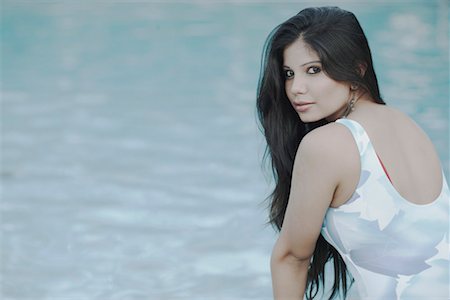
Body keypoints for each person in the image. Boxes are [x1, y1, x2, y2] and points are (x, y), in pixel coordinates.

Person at [256, 6, 449, 300]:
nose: (296, 88)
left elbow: (291, 258)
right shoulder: (407, 125)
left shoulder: (328, 144)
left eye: (314, 70)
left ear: (357, 69)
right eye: (288, 74)